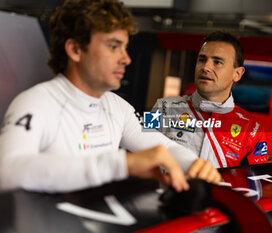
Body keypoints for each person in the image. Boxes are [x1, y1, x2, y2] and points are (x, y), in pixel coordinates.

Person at [0, 0, 221, 193]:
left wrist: (195, 165)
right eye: (113, 46)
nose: (126, 59)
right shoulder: (35, 102)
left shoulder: (117, 107)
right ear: (75, 49)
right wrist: (121, 164)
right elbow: (7, 171)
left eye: (125, 47)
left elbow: (165, 148)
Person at [153, 31, 268, 168]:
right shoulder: (162, 107)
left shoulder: (253, 129)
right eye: (202, 60)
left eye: (217, 62)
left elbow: (255, 184)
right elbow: (137, 156)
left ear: (237, 74)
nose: (205, 67)